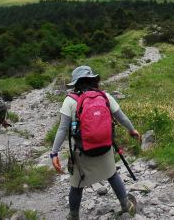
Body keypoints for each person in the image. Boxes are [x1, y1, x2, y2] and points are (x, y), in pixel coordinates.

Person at [51, 65, 141, 220]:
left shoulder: (70, 101)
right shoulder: (105, 97)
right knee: (112, 175)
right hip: (105, 148)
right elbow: (122, 118)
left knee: (76, 186)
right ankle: (126, 205)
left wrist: (54, 153)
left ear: (76, 83)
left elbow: (62, 129)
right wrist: (132, 130)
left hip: (82, 152)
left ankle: (73, 216)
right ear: (93, 80)